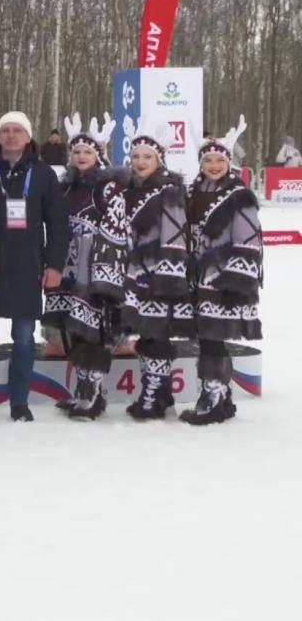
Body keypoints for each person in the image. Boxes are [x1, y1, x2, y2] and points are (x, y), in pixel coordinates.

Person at [0, 111, 68, 422]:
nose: (10, 136)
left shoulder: (44, 174)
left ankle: (19, 402)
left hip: (27, 266)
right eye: (5, 130)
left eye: (17, 130)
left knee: (24, 337)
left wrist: (54, 265)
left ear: (28, 137)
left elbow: (58, 224)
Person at [96, 125, 191, 420]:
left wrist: (166, 277)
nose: (139, 161)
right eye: (135, 155)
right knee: (145, 332)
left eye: (146, 156)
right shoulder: (128, 189)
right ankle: (159, 393)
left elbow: (176, 237)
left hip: (158, 273)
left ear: (158, 159)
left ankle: (153, 395)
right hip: (132, 272)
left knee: (156, 332)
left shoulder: (170, 190)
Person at [182, 117, 262, 425]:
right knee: (206, 337)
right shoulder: (191, 192)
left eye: (219, 159)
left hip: (224, 276)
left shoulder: (238, 194)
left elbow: (249, 238)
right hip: (197, 277)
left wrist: (237, 276)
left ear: (229, 162)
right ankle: (223, 397)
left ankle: (212, 400)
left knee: (214, 338)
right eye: (208, 160)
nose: (214, 165)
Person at [43, 113, 123, 420]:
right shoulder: (65, 188)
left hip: (94, 270)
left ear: (98, 154)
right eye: (76, 152)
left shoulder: (108, 188)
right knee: (73, 329)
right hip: (68, 267)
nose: (81, 157)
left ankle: (92, 395)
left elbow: (117, 232)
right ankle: (85, 390)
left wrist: (106, 278)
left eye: (87, 152)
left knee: (94, 330)